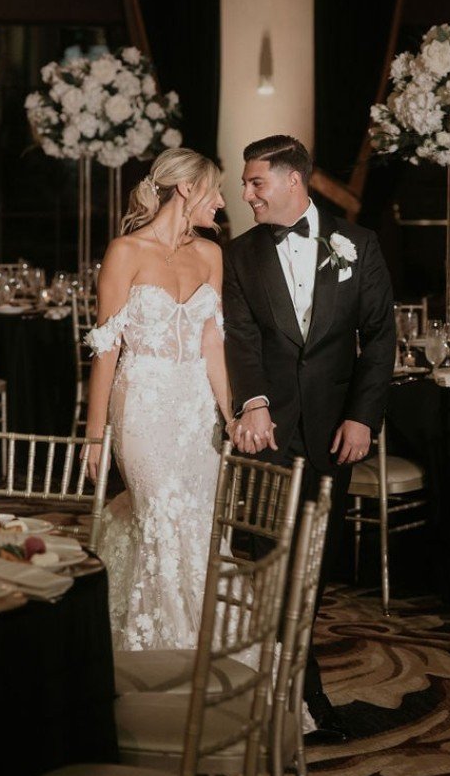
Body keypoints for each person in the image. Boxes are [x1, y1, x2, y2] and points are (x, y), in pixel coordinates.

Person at [222, 134, 395, 741]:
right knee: (269, 558)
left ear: (293, 180)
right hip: (268, 432)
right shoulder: (240, 254)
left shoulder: (359, 244)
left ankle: (294, 681)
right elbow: (239, 337)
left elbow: (379, 341)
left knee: (312, 566)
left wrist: (362, 418)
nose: (244, 195)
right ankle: (299, 695)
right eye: (245, 184)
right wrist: (254, 402)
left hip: (333, 431)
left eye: (255, 183)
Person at [85, 147, 230, 651]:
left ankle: (205, 639)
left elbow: (214, 343)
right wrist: (95, 435)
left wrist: (233, 416)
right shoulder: (125, 251)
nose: (222, 200)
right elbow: (106, 349)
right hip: (143, 405)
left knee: (199, 520)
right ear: (186, 188)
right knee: (162, 515)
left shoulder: (211, 254)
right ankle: (173, 652)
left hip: (198, 412)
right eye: (214, 189)